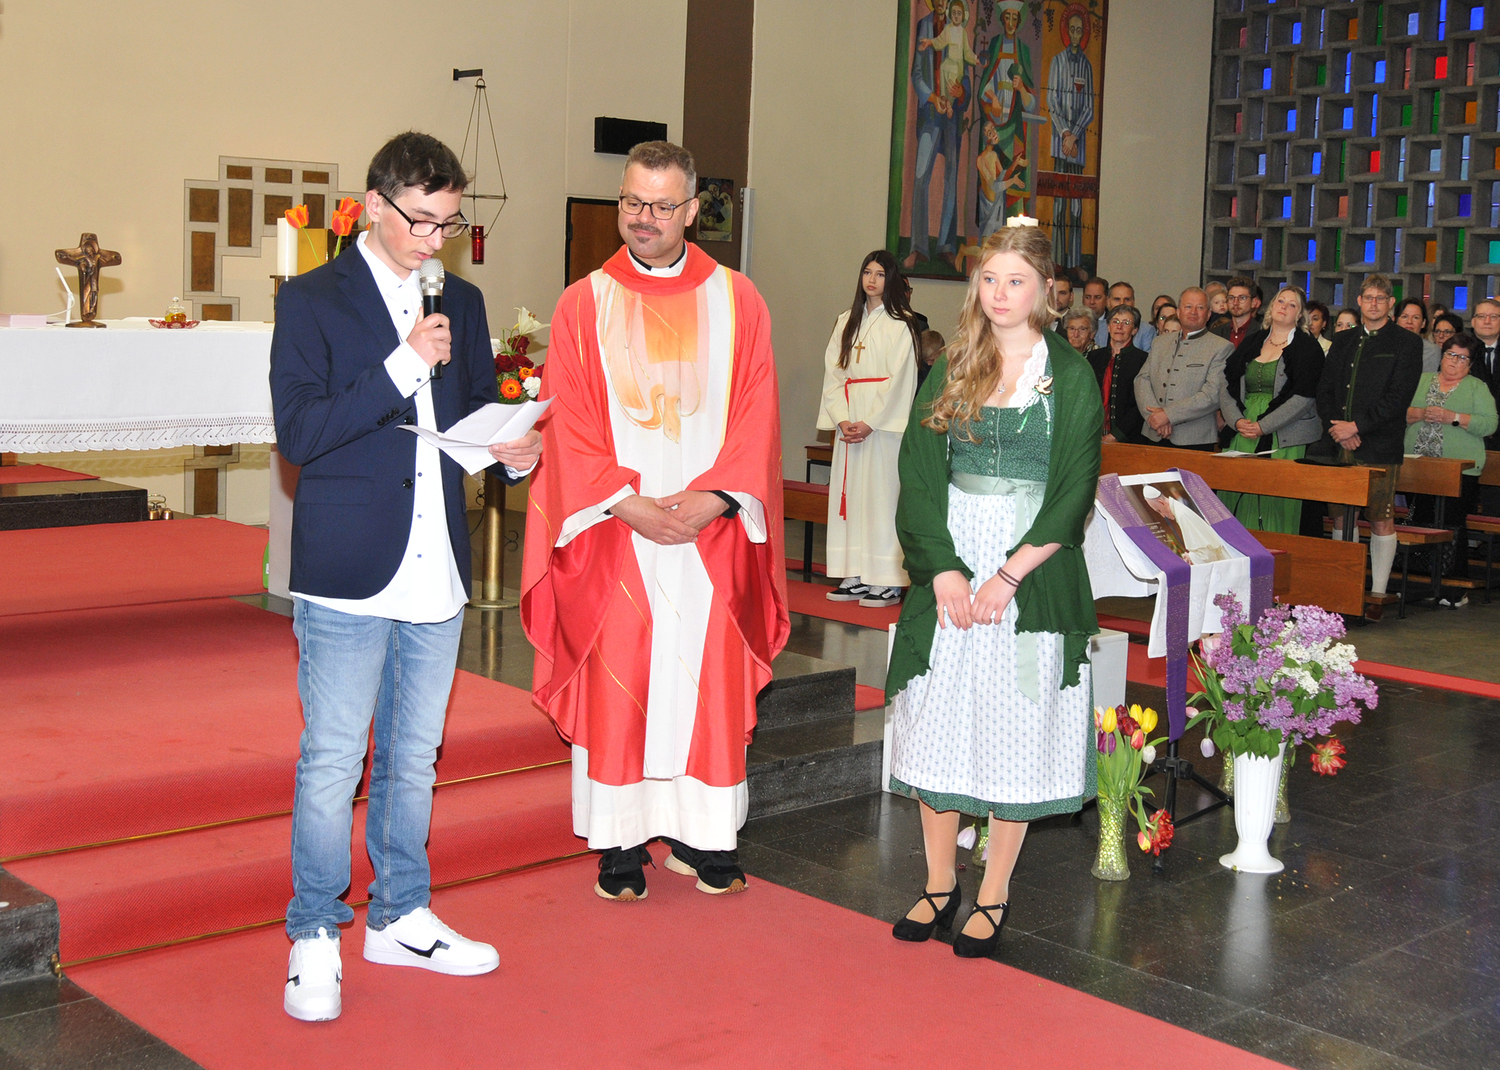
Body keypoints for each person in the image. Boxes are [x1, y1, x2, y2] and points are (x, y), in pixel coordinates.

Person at [270, 132, 543, 1022]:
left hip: (437, 562)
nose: (436, 239)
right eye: (423, 221)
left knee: (415, 757)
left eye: (448, 223)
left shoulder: (460, 299)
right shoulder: (312, 299)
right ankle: (315, 931)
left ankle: (401, 915)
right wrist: (402, 364)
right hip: (349, 565)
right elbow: (300, 434)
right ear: (378, 204)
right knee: (333, 758)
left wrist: (510, 451)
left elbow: (469, 417)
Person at [521, 141, 789, 903]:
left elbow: (758, 411)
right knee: (623, 677)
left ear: (692, 210)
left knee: (705, 682)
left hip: (711, 533)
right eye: (633, 202)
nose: (645, 218)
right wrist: (625, 502)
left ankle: (706, 837)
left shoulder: (739, 299)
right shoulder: (584, 302)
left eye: (662, 206)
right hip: (617, 531)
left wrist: (717, 497)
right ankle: (620, 840)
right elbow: (568, 422)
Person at [885, 223, 1100, 959]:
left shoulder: (1070, 375)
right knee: (936, 714)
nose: (1000, 294)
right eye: (989, 279)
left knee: (1016, 725)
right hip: (951, 559)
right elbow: (919, 469)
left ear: (1044, 291)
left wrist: (1009, 574)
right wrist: (942, 566)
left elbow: (1074, 489)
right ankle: (939, 881)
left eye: (1016, 281)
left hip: (1030, 569)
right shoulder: (955, 364)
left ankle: (994, 889)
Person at [818, 251, 922, 608]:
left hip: (882, 427)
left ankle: (886, 578)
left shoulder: (901, 324)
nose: (872, 280)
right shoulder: (846, 320)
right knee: (850, 499)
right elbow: (833, 374)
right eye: (867, 272)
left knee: (881, 498)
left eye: (879, 273)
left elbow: (901, 379)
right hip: (849, 419)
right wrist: (842, 418)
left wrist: (871, 422)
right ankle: (854, 573)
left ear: (890, 279)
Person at [1316, 274, 1423, 618]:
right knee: (1339, 518)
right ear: (1359, 302)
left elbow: (1398, 397)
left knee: (1380, 518)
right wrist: (1339, 429)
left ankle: (1377, 593)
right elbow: (1325, 390)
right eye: (1368, 298)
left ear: (1390, 304)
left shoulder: (1407, 343)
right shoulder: (1343, 339)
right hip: (1339, 442)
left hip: (1379, 444)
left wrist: (1357, 426)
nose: (1374, 303)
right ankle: (1341, 589)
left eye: (1381, 298)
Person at [1216, 286, 1325, 531]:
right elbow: (1227, 383)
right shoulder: (1252, 342)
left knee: (1273, 504)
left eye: (1292, 304)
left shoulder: (1308, 347)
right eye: (1280, 301)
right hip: (1244, 429)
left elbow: (1303, 397)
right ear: (1271, 306)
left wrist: (1263, 427)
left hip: (1283, 434)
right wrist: (1236, 421)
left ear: (1299, 315)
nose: (1284, 307)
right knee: (1237, 494)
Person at [1404, 332, 1499, 607]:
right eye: (1450, 354)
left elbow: (1490, 424)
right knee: (1420, 520)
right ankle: (1419, 582)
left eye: (1462, 358)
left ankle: (1453, 588)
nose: (1454, 361)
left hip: (1458, 470)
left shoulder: (1476, 387)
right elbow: (1399, 412)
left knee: (1452, 525)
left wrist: (1453, 418)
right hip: (1417, 466)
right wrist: (1420, 413)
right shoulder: (1421, 380)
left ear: (1470, 364)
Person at [907, 0, 969, 269]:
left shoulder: (959, 27)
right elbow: (917, 73)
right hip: (931, 114)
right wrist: (933, 98)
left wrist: (961, 93)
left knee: (951, 179)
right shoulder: (925, 26)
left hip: (952, 116)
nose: (942, 2)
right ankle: (919, 247)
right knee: (921, 177)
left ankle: (946, 245)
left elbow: (965, 75)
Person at [1134, 287, 1232, 450]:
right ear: (1178, 312)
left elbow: (1211, 395)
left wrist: (1168, 415)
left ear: (1208, 314)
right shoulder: (1160, 342)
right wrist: (1154, 417)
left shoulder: (1221, 347)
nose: (1193, 312)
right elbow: (1142, 380)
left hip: (1194, 439)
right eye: (1188, 306)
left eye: (1200, 307)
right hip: (1154, 433)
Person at [1044, 4, 1095, 269]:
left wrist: (1074, 136)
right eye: (1072, 30)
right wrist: (1065, 133)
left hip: (1076, 146)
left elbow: (1089, 107)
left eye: (1079, 30)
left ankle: (1074, 263)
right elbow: (1051, 101)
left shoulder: (1086, 66)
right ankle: (1056, 261)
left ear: (1083, 34)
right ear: (1067, 32)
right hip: (1060, 143)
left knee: (1076, 205)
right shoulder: (1057, 61)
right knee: (1058, 204)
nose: (1075, 34)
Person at [1088, 305, 1149, 444]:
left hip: (1129, 438)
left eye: (1126, 322)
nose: (1119, 327)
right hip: (1093, 435)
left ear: (1135, 330)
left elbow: (1141, 404)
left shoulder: (1143, 360)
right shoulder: (1093, 357)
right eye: (1115, 321)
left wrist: (1116, 435)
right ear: (1108, 327)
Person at [1395, 298, 1442, 373]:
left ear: (1423, 323)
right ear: (1396, 320)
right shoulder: (1385, 346)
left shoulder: (1431, 351)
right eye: (1404, 317)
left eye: (1415, 317)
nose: (1409, 322)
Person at [1092, 280, 1135, 348]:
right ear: (1108, 302)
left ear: (1133, 302)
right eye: (1117, 299)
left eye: (1127, 299)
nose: (1122, 303)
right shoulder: (1097, 328)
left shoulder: (1146, 331)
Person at [1225, 275, 1256, 348]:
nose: (1235, 303)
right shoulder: (1216, 332)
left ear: (1253, 302)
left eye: (1242, 298)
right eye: (1231, 298)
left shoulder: (1262, 333)